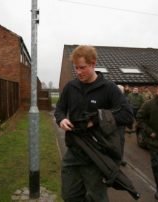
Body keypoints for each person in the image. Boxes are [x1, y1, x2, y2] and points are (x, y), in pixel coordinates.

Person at [54, 45, 134, 202]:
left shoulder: (109, 88)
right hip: (74, 150)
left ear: (93, 64)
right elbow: (59, 109)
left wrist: (97, 119)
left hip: (96, 154)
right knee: (69, 195)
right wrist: (61, 119)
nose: (78, 72)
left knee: (96, 198)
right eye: (76, 68)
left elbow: (127, 115)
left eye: (82, 67)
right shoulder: (71, 87)